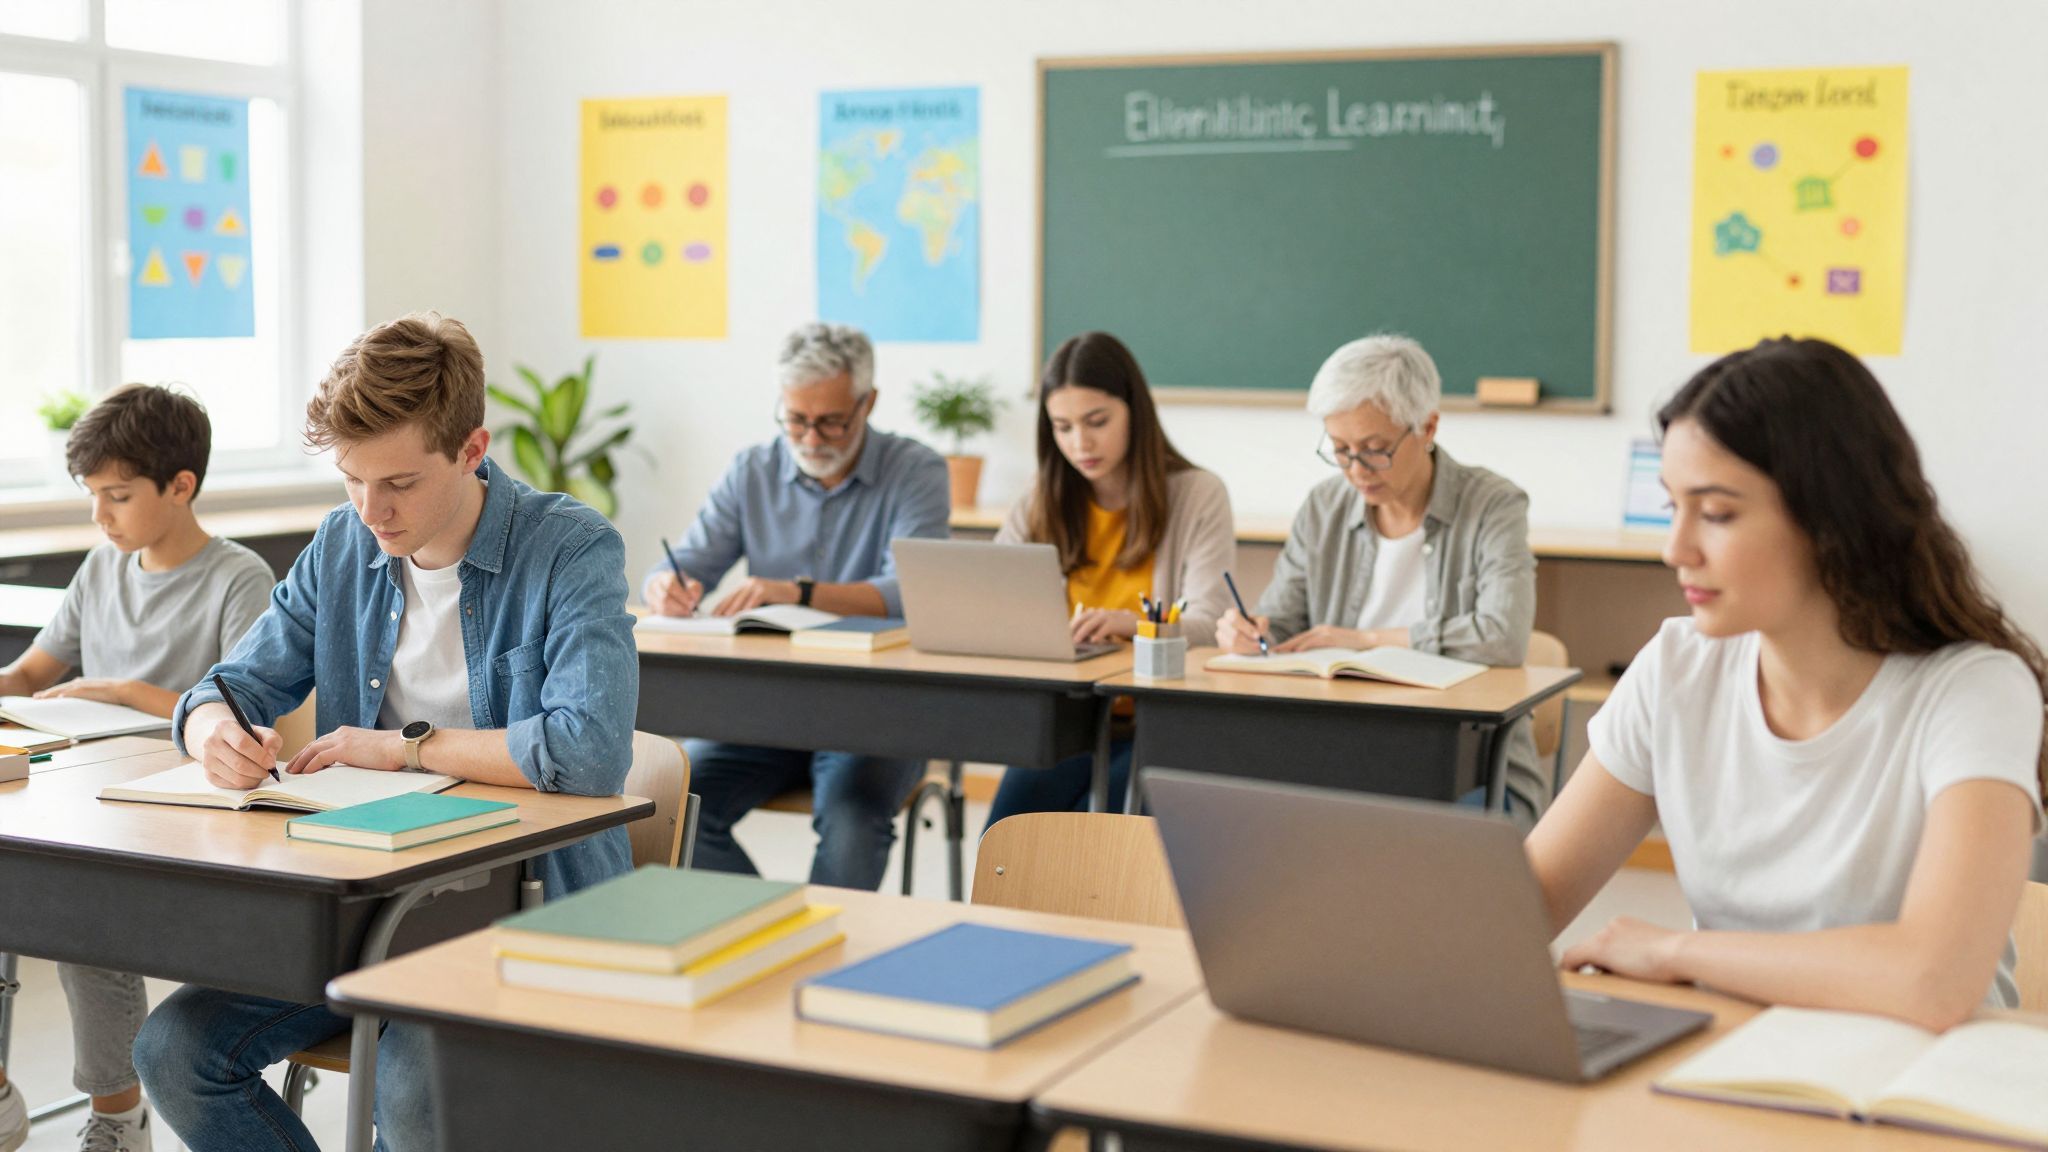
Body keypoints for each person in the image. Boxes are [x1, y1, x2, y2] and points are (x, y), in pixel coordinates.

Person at [132, 312, 639, 1152]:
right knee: (175, 1050)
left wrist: (405, 747)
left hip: (517, 912)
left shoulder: (571, 549)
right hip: (365, 906)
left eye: (398, 482)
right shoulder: (342, 543)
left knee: (413, 1096)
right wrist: (214, 730)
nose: (372, 509)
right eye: (351, 480)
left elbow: (587, 750)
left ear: (473, 451)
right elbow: (229, 686)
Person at [1526, 337, 2044, 1028]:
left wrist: (1680, 951)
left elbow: (1936, 980)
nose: (1674, 549)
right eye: (1672, 507)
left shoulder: (1977, 691)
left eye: (1715, 514)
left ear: (1830, 521)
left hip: (1923, 1098)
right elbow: (1528, 901)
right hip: (1731, 1067)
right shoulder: (1677, 668)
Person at [0, 385, 273, 1152]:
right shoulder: (99, 570)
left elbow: (250, 711)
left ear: (181, 486)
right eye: (93, 497)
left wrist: (120, 689)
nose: (100, 516)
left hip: (179, 814)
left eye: (117, 496)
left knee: (81, 914)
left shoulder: (239, 579)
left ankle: (119, 1115)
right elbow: (29, 675)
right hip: (83, 793)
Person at [644, 322, 950, 889]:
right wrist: (667, 583)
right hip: (767, 707)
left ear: (868, 403)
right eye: (795, 420)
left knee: (853, 819)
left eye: (831, 420)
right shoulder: (752, 470)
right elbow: (687, 562)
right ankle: (771, 926)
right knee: (674, 800)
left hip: (876, 711)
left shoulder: (916, 471)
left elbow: (914, 592)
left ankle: (826, 953)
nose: (811, 438)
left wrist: (797, 591)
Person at [1216, 334, 1542, 820]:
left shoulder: (1493, 505)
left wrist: (1362, 641)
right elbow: (1281, 621)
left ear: (1427, 427)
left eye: (1374, 449)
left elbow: (1502, 637)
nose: (1356, 470)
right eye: (1341, 450)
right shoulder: (1324, 508)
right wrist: (1248, 631)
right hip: (1339, 750)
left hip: (1463, 762)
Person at [986, 331, 1233, 822]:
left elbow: (1212, 627)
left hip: (1158, 724)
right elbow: (993, 599)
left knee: (1099, 855)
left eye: (1097, 421)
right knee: (1003, 844)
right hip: (1065, 720)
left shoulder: (1198, 494)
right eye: (1063, 427)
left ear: (1134, 413)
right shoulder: (1042, 501)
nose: (1081, 443)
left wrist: (1131, 624)